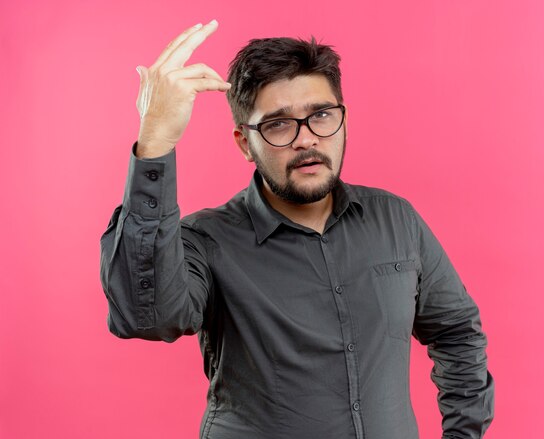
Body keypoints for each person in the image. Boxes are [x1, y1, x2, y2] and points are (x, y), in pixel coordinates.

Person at [100, 20, 494, 439]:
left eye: (321, 115)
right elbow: (145, 317)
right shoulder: (204, 241)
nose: (306, 139)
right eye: (279, 124)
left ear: (342, 120)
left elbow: (456, 332)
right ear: (244, 143)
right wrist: (156, 143)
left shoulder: (396, 220)